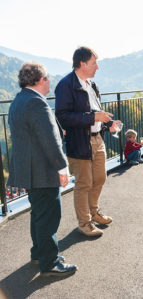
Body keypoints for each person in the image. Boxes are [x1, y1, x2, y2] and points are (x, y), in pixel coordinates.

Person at [8, 62, 77, 277]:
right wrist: (62, 167)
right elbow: (48, 141)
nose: (49, 81)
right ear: (39, 80)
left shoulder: (19, 100)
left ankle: (39, 253)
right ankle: (50, 262)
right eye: (47, 77)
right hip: (43, 170)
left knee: (38, 214)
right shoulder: (37, 103)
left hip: (29, 169)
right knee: (49, 216)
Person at [55, 46, 120, 237]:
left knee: (100, 178)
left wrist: (108, 124)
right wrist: (93, 118)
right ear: (82, 63)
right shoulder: (66, 85)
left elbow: (95, 114)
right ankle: (84, 223)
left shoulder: (91, 84)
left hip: (97, 139)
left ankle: (94, 212)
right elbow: (63, 117)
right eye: (94, 63)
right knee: (84, 184)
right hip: (79, 142)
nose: (97, 67)